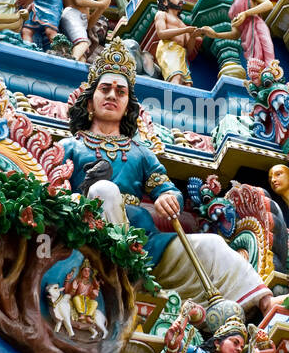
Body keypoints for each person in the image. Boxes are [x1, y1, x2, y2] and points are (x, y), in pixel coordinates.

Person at [57, 42, 273, 312]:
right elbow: (54, 193)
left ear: (127, 106)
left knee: (212, 244)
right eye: (105, 89)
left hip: (143, 242)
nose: (112, 95)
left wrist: (169, 199)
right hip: (91, 237)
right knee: (104, 190)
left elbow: (166, 189)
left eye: (120, 92)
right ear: (90, 102)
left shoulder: (139, 152)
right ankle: (116, 274)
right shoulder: (70, 147)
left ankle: (264, 304)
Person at [152, 0, 201, 85]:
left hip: (181, 53)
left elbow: (189, 50)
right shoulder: (162, 14)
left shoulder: (182, 24)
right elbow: (161, 34)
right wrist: (184, 30)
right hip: (168, 48)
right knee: (176, 77)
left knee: (187, 83)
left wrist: (193, 36)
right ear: (165, 2)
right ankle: (170, 98)